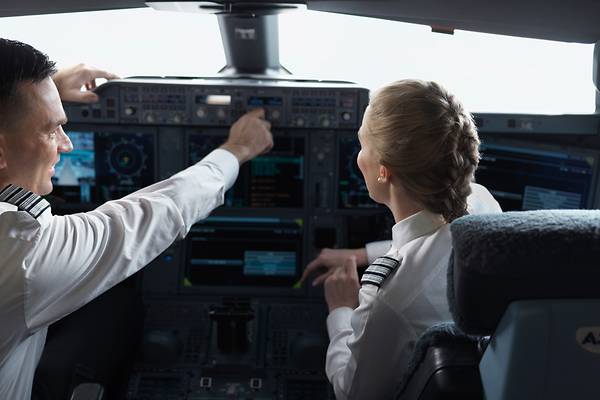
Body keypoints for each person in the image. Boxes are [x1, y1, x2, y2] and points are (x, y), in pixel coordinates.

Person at [0, 38, 273, 399]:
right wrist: (236, 150)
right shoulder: (21, 251)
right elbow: (150, 217)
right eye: (51, 130)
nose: (65, 144)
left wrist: (41, 98)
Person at [302, 79, 502, 399]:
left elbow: (351, 392)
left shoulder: (389, 299)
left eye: (362, 145)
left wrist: (340, 310)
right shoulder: (482, 204)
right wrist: (361, 254)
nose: (358, 157)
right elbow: (435, 242)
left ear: (384, 170)